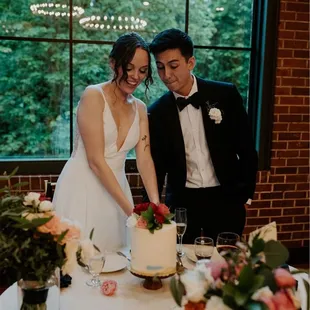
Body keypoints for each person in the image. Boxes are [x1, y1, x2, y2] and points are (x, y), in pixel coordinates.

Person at [144, 28, 258, 243]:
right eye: (160, 67)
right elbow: (156, 166)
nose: (166, 75)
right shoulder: (157, 112)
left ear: (191, 62)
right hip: (183, 204)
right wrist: (153, 208)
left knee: (224, 265)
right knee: (182, 266)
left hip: (226, 199)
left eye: (173, 65)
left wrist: (244, 194)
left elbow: (246, 148)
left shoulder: (225, 95)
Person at [53, 33, 159, 252]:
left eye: (142, 70)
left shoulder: (140, 108)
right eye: (129, 68)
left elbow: (145, 160)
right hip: (83, 187)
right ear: (113, 63)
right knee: (81, 260)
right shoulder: (93, 95)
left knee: (117, 260)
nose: (135, 76)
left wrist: (156, 208)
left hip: (117, 190)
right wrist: (131, 211)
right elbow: (95, 161)